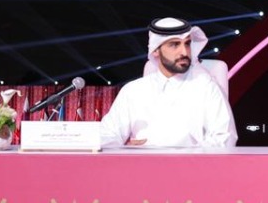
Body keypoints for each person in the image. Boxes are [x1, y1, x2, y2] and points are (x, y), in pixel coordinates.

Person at [101, 17, 237, 148]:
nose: (184, 52)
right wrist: (123, 149)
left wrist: (183, 156)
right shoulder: (133, 91)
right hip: (142, 168)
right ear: (155, 50)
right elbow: (107, 135)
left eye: (187, 44)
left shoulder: (206, 87)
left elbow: (225, 138)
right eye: (174, 44)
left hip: (191, 168)